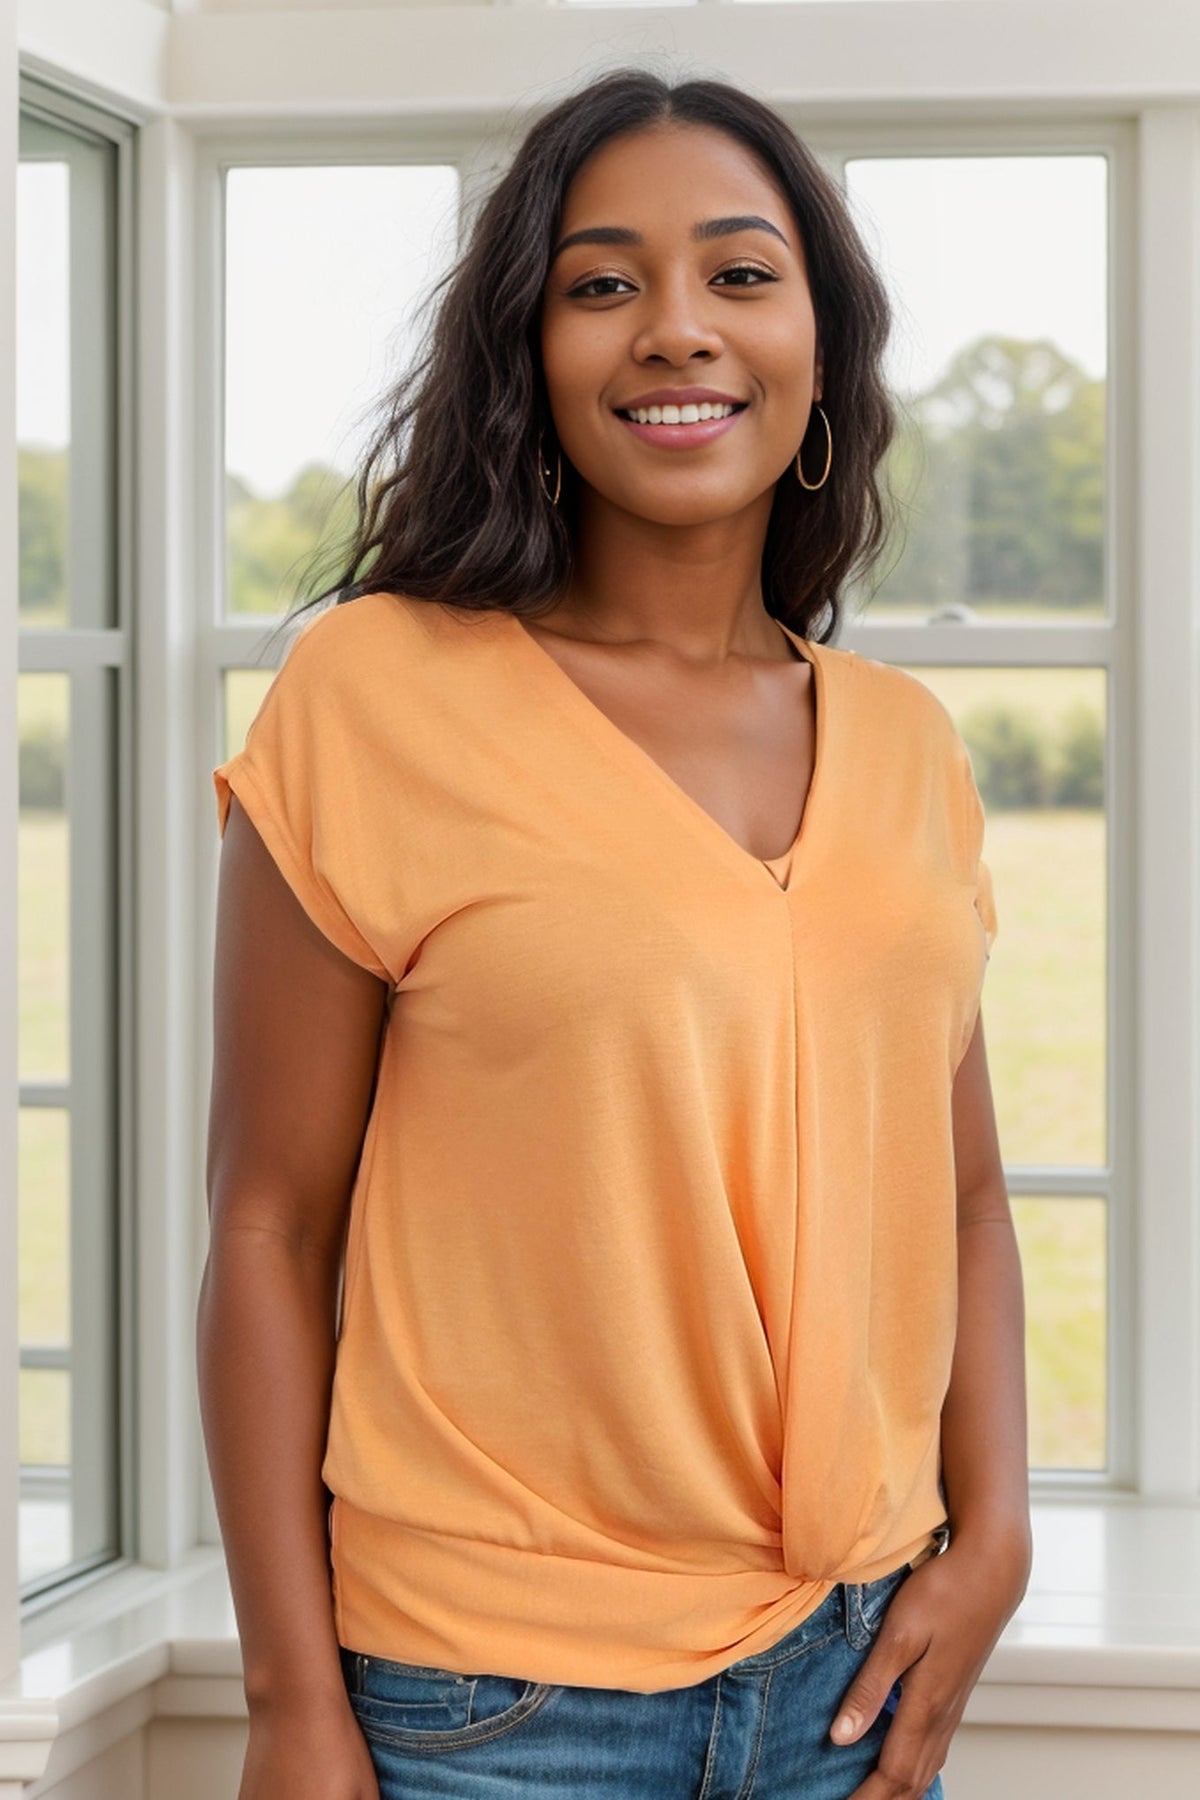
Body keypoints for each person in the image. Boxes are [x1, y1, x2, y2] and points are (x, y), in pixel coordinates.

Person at [197, 67, 1032, 1800]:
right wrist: (291, 1703)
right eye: (602, 283)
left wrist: (997, 1539)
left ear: (818, 349)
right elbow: (271, 1227)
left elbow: (960, 1199)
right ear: (531, 353)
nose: (675, 330)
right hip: (489, 1713)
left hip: (856, 1688)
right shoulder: (378, 695)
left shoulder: (908, 749)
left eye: (739, 274)